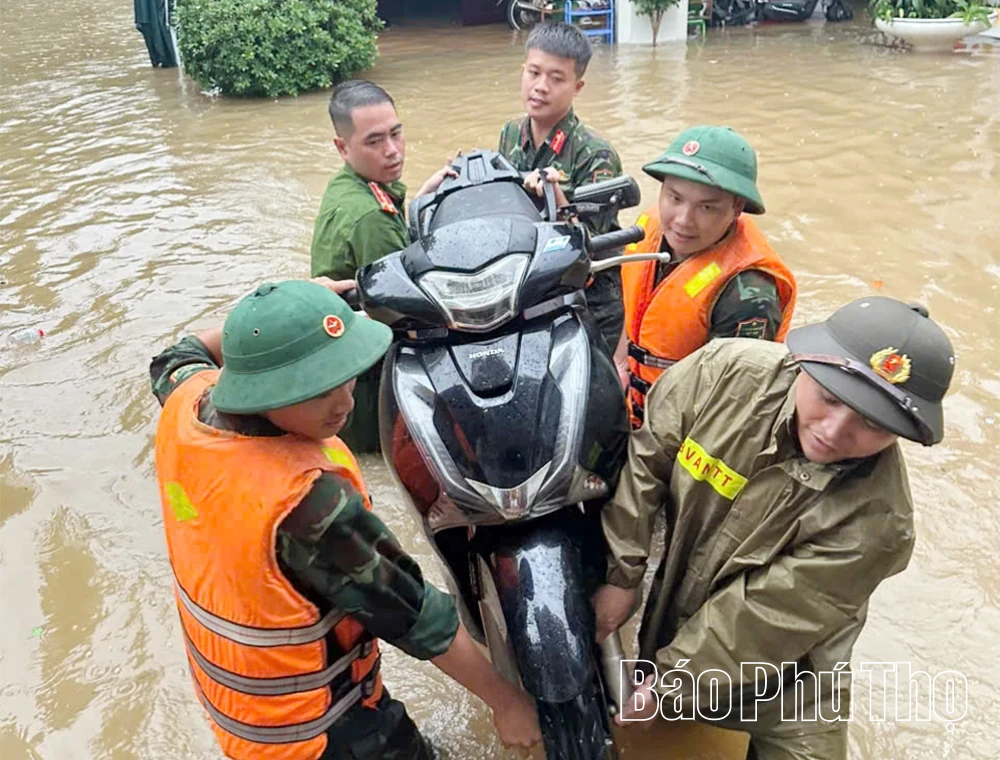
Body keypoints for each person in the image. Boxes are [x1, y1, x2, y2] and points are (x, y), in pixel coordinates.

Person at [150, 278, 541, 760]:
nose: (346, 403)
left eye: (348, 375)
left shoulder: (186, 403)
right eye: (317, 391)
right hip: (322, 733)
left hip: (242, 712)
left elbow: (178, 354)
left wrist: (282, 319)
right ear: (262, 390)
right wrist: (506, 703)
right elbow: (416, 615)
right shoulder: (307, 506)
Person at [593, 296, 956, 759]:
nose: (835, 430)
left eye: (871, 424)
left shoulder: (880, 525)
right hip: (684, 593)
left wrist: (668, 687)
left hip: (786, 669)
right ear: (804, 364)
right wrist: (621, 575)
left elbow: (761, 621)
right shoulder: (722, 373)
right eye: (828, 397)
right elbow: (646, 463)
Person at [617, 126, 797, 429]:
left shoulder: (748, 294)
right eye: (675, 198)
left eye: (707, 207)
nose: (684, 220)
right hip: (633, 404)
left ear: (736, 208)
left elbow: (730, 406)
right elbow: (634, 305)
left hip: (683, 431)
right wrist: (619, 367)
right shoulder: (650, 228)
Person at [310, 80, 454, 453]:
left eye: (396, 134)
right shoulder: (370, 218)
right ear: (342, 147)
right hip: (365, 401)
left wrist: (422, 197)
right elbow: (410, 314)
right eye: (373, 142)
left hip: (337, 371)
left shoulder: (349, 186)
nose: (392, 151)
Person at [498, 22, 624, 355]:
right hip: (531, 294)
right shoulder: (511, 134)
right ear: (522, 70)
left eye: (556, 78)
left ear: (577, 86)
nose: (540, 87)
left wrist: (557, 194)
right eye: (534, 73)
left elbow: (591, 245)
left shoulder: (596, 155)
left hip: (587, 305)